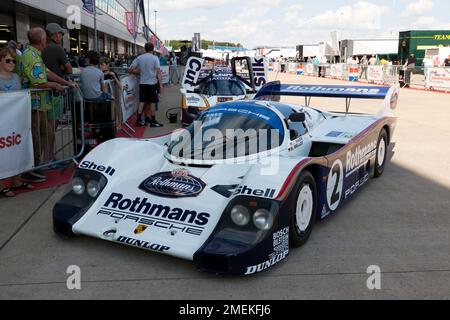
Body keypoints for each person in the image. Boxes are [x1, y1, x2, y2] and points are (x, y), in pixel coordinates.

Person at [19, 27, 66, 182]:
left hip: (40, 103)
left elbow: (46, 72)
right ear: (42, 40)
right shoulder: (31, 56)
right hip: (34, 104)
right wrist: (55, 86)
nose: (47, 39)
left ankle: (37, 165)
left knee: (45, 133)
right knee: (37, 136)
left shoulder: (35, 54)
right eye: (45, 37)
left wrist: (66, 83)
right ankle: (30, 169)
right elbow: (39, 84)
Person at [0, 47, 35, 197]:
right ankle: (1, 185)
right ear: (0, 61)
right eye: (8, 60)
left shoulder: (15, 77)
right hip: (2, 122)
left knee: (16, 148)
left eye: (14, 60)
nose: (11, 63)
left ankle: (17, 180)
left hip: (15, 121)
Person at [128, 42, 164, 127]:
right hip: (152, 83)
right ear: (153, 49)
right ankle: (153, 120)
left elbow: (130, 69)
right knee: (152, 102)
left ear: (145, 49)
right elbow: (158, 72)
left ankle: (139, 119)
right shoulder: (155, 58)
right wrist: (161, 84)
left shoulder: (139, 58)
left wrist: (138, 71)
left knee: (142, 101)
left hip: (142, 83)